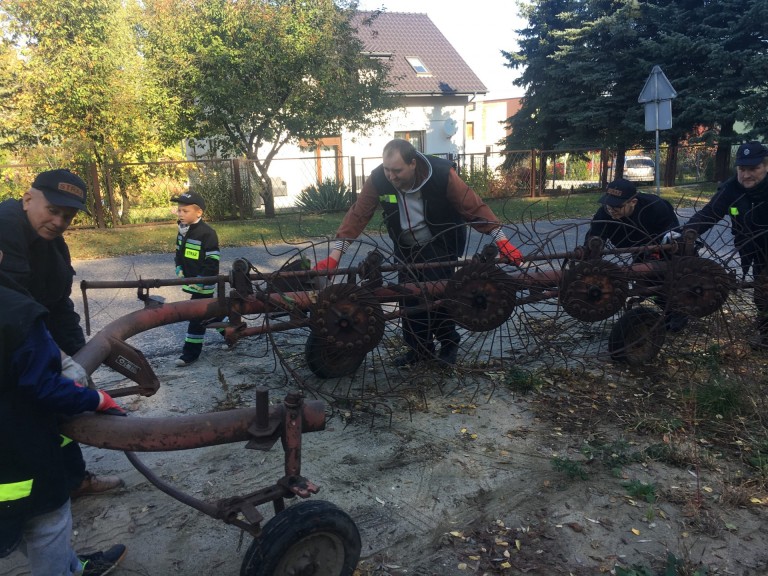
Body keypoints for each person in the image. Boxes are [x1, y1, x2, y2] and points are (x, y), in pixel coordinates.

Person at [314, 138, 523, 367]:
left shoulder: (442, 174)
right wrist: (334, 257)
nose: (391, 176)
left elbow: (473, 207)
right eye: (387, 169)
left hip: (439, 243)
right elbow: (358, 215)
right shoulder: (379, 179)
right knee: (408, 297)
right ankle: (419, 349)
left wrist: (502, 240)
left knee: (437, 294)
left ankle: (449, 344)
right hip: (405, 247)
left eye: (397, 170)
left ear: (413, 163)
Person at [0, 252, 127, 576]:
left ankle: (72, 565)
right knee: (47, 523)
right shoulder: (15, 311)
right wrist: (95, 399)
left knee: (15, 522)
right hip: (18, 453)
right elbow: (43, 387)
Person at [0, 169, 123, 498]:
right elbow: (14, 307)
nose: (58, 222)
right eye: (52, 210)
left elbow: (58, 304)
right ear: (28, 198)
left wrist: (81, 359)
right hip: (9, 348)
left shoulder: (53, 245)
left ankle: (73, 480)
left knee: (60, 408)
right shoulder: (5, 228)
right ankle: (33, 503)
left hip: (29, 339)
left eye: (67, 216)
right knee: (25, 420)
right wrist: (57, 356)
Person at [681, 141, 768, 347]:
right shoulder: (731, 188)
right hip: (753, 248)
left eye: (753, 169)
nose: (746, 175)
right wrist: (685, 232)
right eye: (742, 169)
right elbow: (709, 213)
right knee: (762, 292)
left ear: (766, 166)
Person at [585, 177, 686, 331]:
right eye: (608, 204)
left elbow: (672, 234)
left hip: (659, 248)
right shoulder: (604, 213)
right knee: (646, 282)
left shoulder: (655, 207)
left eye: (617, 206)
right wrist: (590, 257)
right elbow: (595, 237)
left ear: (633, 202)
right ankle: (669, 309)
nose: (611, 210)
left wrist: (661, 248)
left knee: (662, 280)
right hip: (636, 248)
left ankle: (679, 311)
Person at [171, 190, 222, 366]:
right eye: (179, 210)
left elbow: (213, 260)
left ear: (198, 212)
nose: (180, 214)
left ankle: (190, 354)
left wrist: (202, 280)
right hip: (192, 281)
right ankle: (231, 332)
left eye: (185, 211)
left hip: (204, 283)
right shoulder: (183, 231)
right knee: (210, 313)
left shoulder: (207, 233)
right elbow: (178, 252)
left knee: (196, 316)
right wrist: (178, 267)